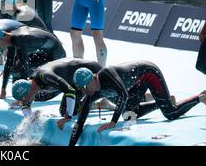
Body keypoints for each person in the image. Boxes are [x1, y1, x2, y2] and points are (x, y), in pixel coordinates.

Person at [68, 60, 206, 146]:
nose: (84, 93)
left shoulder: (106, 73)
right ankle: (160, 103)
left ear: (91, 80)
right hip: (136, 82)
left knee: (170, 113)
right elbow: (79, 123)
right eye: (81, 90)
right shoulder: (92, 93)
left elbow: (123, 94)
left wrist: (113, 122)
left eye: (84, 88)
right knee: (130, 116)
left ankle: (200, 97)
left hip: (149, 73)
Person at [11, 58, 103, 126]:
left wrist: (68, 117)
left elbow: (70, 90)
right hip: (69, 80)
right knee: (41, 98)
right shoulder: (31, 84)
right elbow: (25, 104)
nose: (23, 102)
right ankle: (85, 104)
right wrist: (30, 118)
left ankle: (88, 104)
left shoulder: (45, 76)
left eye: (24, 99)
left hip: (90, 71)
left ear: (30, 89)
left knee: (66, 111)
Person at [0, 25, 67, 87]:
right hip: (48, 52)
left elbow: (24, 68)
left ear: (3, 36)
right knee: (16, 70)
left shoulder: (21, 41)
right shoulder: (14, 35)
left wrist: (24, 95)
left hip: (57, 58)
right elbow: (13, 64)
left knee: (37, 93)